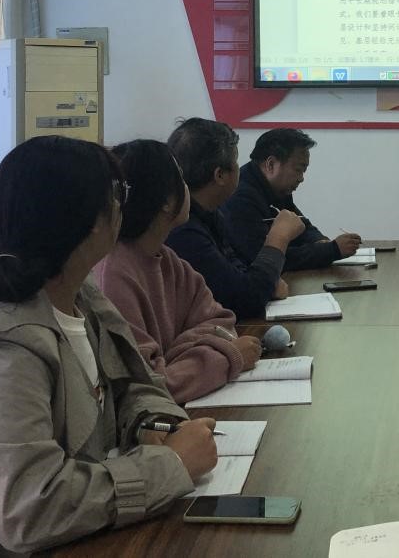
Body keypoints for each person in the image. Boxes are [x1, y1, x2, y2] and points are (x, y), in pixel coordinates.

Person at [0, 136, 216, 557]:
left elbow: (128, 384)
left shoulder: (79, 293)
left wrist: (152, 425)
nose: (124, 204)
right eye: (117, 192)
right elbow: (26, 509)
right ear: (87, 218)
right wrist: (170, 466)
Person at [93, 139, 268, 404]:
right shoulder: (114, 273)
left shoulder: (167, 258)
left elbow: (221, 320)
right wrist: (227, 356)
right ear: (166, 200)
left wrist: (176, 354)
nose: (188, 190)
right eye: (182, 181)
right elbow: (148, 386)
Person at [165, 119, 305, 320]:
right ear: (220, 175)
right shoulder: (184, 232)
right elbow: (246, 300)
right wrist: (278, 238)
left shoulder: (210, 214)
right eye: (236, 162)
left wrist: (265, 283)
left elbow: (241, 276)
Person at [221, 127, 361, 270]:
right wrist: (332, 250)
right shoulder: (240, 198)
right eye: (298, 170)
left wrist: (319, 241)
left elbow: (300, 223)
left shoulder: (276, 187)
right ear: (271, 164)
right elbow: (266, 259)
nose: (301, 178)